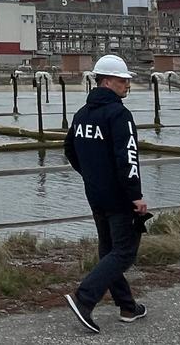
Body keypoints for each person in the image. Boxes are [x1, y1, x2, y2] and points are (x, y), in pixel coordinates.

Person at [63, 54, 149, 333]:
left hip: (95, 193)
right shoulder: (119, 114)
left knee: (108, 250)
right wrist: (135, 194)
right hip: (119, 196)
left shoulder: (81, 114)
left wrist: (91, 176)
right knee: (124, 253)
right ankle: (84, 298)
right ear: (108, 81)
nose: (128, 85)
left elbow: (70, 151)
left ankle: (127, 306)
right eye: (124, 80)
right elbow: (129, 157)